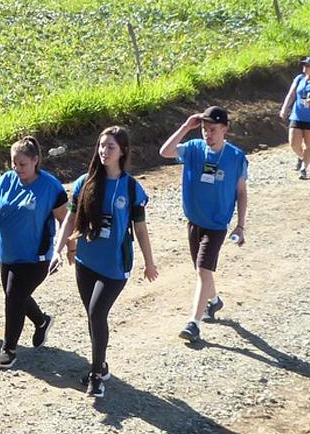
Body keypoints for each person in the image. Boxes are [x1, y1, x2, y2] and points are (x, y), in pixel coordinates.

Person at [50, 127, 158, 398]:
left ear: (122, 151)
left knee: (97, 314)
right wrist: (59, 249)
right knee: (93, 316)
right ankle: (101, 364)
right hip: (86, 261)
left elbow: (141, 229)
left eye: (110, 147)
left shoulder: (132, 188)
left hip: (115, 266)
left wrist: (149, 262)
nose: (103, 151)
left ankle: (96, 375)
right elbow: (70, 220)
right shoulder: (84, 183)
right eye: (101, 146)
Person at [0, 137, 67, 370]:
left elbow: (65, 220)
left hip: (37, 257)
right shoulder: (6, 180)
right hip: (9, 254)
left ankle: (9, 349)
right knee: (17, 296)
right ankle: (42, 322)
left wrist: (63, 249)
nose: (17, 168)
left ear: (35, 161)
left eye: (22, 164)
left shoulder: (51, 187)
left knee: (13, 296)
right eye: (14, 163)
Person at [159, 107, 249, 344]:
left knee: (202, 270)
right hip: (194, 221)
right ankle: (214, 301)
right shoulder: (193, 149)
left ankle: (194, 324)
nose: (207, 134)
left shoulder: (236, 157)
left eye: (213, 130)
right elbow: (165, 152)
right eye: (204, 129)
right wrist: (185, 127)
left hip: (217, 225)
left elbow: (241, 192)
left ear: (225, 129)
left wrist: (240, 226)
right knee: (203, 271)